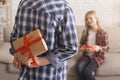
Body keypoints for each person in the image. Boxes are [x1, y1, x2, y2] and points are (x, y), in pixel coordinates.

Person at [9, 0, 78, 80]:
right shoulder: (62, 7)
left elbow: (14, 36)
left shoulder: (24, 3)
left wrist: (18, 54)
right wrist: (18, 55)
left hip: (28, 75)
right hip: (48, 75)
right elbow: (71, 47)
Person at [76, 10, 109, 80]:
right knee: (79, 67)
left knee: (87, 72)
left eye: (91, 18)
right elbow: (81, 44)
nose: (88, 20)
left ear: (96, 19)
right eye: (86, 19)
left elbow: (106, 48)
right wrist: (82, 48)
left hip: (97, 57)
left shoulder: (103, 32)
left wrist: (99, 48)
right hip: (86, 56)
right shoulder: (85, 32)